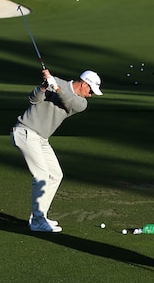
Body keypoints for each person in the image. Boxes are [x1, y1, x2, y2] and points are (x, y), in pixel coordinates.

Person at [11, 67, 102, 232]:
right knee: (42, 176)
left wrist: (56, 88)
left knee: (55, 174)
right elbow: (33, 99)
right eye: (91, 91)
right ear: (84, 84)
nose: (91, 95)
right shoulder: (56, 82)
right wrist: (44, 87)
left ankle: (40, 217)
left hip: (41, 139)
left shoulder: (81, 103)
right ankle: (38, 221)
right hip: (26, 132)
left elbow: (68, 101)